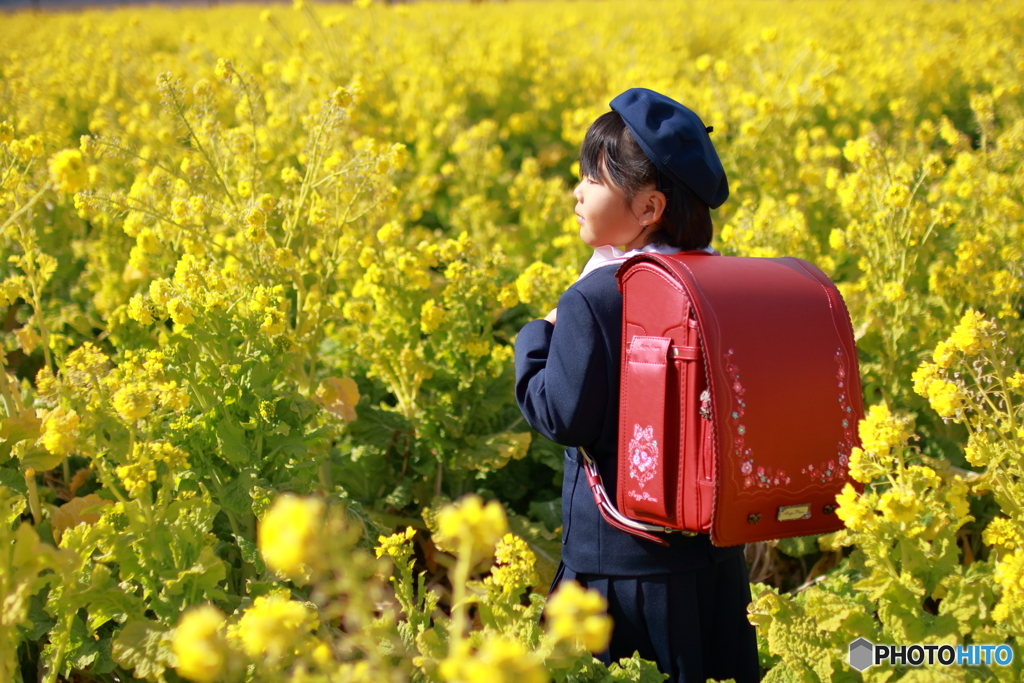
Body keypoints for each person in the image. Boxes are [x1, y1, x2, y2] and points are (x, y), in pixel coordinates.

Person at [514, 88, 761, 683]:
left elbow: (560, 416)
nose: (577, 193)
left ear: (648, 208)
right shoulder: (727, 281)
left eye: (592, 179)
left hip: (617, 574)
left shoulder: (596, 297)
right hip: (716, 563)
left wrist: (535, 337)